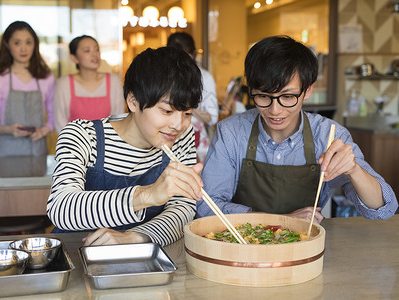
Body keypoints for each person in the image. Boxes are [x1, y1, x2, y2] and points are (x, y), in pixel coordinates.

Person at [197, 35, 398, 222]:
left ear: (308, 90)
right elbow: (207, 206)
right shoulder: (231, 133)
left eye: (287, 97)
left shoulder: (328, 136)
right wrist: (281, 221)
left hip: (306, 250)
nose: (275, 111)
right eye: (263, 96)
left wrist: (355, 170)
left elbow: (383, 210)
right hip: (241, 248)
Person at [47, 47, 204, 247]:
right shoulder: (82, 135)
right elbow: (62, 208)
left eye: (187, 113)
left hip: (142, 255)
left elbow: (183, 208)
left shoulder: (180, 137)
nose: (178, 124)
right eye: (167, 111)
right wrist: (148, 195)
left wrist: (136, 237)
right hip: (78, 253)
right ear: (133, 101)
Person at [0, 21, 54, 157]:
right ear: (7, 45)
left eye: (28, 42)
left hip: (38, 151)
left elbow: (54, 117)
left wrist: (44, 130)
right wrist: (8, 129)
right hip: (6, 153)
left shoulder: (46, 77)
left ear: (35, 45)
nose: (24, 49)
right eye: (17, 43)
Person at [53, 35, 125, 133]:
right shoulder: (64, 84)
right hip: (73, 145)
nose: (94, 54)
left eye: (97, 50)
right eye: (87, 50)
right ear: (74, 58)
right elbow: (59, 121)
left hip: (107, 145)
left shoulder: (114, 81)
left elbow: (119, 120)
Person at [167, 32, 219, 162]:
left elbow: (212, 117)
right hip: (165, 145)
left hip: (196, 147)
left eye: (185, 57)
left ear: (193, 54)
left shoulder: (205, 78)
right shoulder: (163, 77)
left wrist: (187, 108)